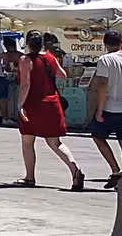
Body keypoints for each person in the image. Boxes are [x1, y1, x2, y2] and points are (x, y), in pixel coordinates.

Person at [14, 31, 85, 190]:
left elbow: (25, 84)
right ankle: (75, 169)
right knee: (55, 142)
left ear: (27, 43)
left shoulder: (25, 60)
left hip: (33, 104)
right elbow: (63, 75)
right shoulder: (49, 57)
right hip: (52, 103)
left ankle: (30, 177)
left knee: (27, 141)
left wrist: (20, 104)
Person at [85, 29, 122, 187]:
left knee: (98, 136)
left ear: (105, 44)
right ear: (121, 42)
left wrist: (100, 109)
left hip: (111, 106)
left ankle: (116, 171)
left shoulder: (105, 60)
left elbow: (102, 84)